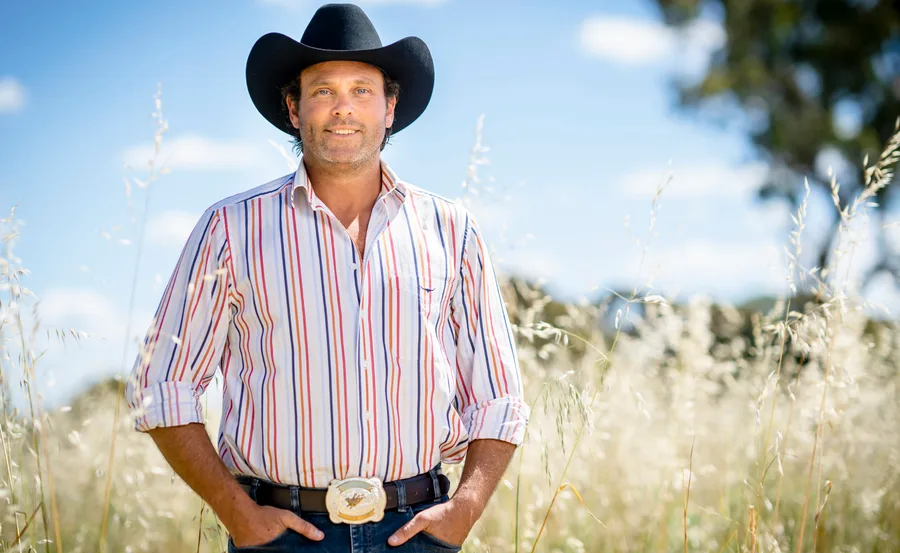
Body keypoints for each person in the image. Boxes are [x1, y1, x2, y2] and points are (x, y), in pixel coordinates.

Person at [125, 3, 530, 552]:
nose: (343, 109)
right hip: (281, 535)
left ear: (390, 108)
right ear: (294, 109)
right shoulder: (230, 227)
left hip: (416, 532)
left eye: (362, 90)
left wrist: (465, 508)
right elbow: (160, 385)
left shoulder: (450, 229)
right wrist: (241, 516)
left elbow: (498, 395)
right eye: (322, 91)